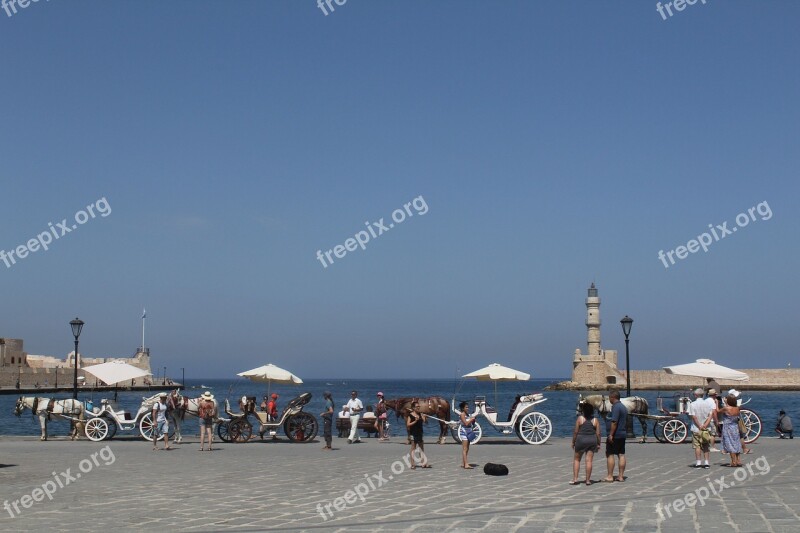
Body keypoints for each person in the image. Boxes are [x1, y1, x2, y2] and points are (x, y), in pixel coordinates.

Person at [571, 402, 601, 485]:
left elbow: (576, 432)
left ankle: (575, 479)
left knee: (577, 459)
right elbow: (598, 434)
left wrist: (573, 442)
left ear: (583, 411)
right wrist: (599, 443)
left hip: (581, 440)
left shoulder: (580, 419)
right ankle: (587, 480)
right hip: (592, 440)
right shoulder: (595, 420)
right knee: (589, 461)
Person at [605, 391, 628, 482]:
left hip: (616, 435)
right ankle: (621, 476)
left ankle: (610, 476)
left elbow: (614, 422)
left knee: (610, 454)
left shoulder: (616, 407)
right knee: (621, 454)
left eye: (609, 398)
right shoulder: (623, 407)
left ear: (612, 397)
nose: (609, 400)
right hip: (622, 434)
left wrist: (611, 434)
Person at [688, 388, 713, 469]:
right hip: (706, 428)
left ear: (695, 395)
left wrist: (699, 425)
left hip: (696, 428)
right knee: (706, 445)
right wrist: (705, 425)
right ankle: (706, 462)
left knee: (697, 446)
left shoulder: (693, 404)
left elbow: (694, 416)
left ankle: (698, 462)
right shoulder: (708, 404)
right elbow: (710, 415)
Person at [717, 394, 743, 466]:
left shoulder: (726, 408)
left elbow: (718, 411)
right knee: (736, 443)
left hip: (728, 428)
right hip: (735, 427)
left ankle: (733, 461)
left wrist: (717, 403)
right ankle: (738, 460)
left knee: (730, 444)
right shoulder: (737, 408)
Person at [406, 401, 431, 468]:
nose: (418, 407)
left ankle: (423, 463)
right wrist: (415, 421)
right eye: (417, 406)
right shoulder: (410, 415)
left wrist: (425, 418)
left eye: (419, 406)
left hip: (420, 433)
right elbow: (408, 424)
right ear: (413, 408)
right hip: (413, 433)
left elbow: (426, 423)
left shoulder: (420, 414)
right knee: (413, 448)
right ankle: (412, 464)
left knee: (421, 448)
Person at [459, 401, 477, 469]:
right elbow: (465, 423)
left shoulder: (468, 414)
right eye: (466, 407)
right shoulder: (462, 414)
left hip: (469, 431)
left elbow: (470, 423)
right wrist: (471, 419)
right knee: (464, 448)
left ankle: (464, 462)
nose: (467, 408)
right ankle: (466, 464)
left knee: (467, 448)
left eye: (468, 407)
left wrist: (473, 420)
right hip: (464, 432)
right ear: (463, 408)